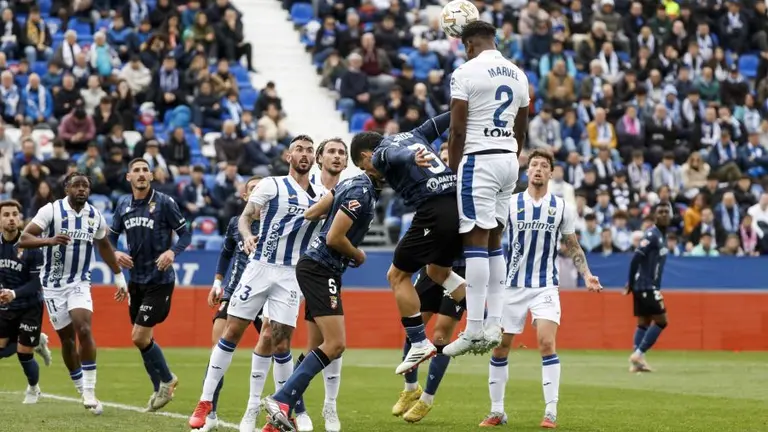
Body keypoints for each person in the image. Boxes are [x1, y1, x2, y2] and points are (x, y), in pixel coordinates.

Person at [188, 136, 326, 432]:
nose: (304, 154)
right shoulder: (271, 185)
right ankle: (205, 400)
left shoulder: (322, 193)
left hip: (291, 275)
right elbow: (245, 217)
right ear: (289, 155)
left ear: (314, 159)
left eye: (309, 151)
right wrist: (248, 234)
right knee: (232, 332)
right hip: (260, 267)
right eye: (299, 149)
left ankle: (280, 412)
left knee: (281, 342)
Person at [479, 149, 602, 429]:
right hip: (511, 287)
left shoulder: (562, 208)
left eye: (543, 166)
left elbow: (572, 244)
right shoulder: (510, 204)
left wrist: (586, 274)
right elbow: (493, 239)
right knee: (500, 348)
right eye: (533, 164)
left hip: (545, 284)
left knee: (546, 342)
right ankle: (497, 411)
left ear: (551, 173)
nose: (537, 169)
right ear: (527, 171)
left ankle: (550, 411)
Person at [261, 156, 381, 432]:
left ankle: (280, 413)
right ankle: (281, 400)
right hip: (321, 268)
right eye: (382, 156)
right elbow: (333, 238)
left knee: (318, 348)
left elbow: (312, 212)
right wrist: (357, 253)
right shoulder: (361, 190)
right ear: (366, 158)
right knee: (336, 344)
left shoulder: (350, 184)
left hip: (317, 266)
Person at [350, 112, 467, 392]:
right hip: (456, 207)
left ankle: (418, 341)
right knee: (437, 271)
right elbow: (442, 121)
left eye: (364, 167)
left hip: (433, 211)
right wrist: (463, 106)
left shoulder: (381, 152)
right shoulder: (415, 134)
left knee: (396, 275)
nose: (371, 173)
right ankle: (482, 322)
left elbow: (392, 157)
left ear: (366, 156)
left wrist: (410, 160)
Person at [445, 20, 531, 357]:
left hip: (478, 159)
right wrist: (511, 156)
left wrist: (454, 173)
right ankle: (494, 323)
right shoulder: (518, 74)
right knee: (495, 238)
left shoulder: (465, 72)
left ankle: (474, 327)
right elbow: (522, 128)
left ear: (468, 44)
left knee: (476, 239)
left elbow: (456, 129)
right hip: (509, 159)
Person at [19, 172, 127, 414]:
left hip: (79, 282)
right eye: (76, 185)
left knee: (84, 328)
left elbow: (104, 246)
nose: (81, 189)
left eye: (85, 186)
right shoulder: (51, 211)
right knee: (67, 340)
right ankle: (80, 386)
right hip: (52, 286)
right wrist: (48, 241)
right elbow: (24, 238)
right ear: (66, 188)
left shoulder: (95, 215)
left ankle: (90, 389)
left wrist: (119, 276)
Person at [109, 158, 193, 411]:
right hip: (136, 281)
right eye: (136, 170)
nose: (142, 174)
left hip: (160, 280)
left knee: (139, 334)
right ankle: (158, 389)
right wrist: (114, 253)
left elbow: (186, 234)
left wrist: (172, 252)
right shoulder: (123, 204)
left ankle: (167, 381)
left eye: (146, 170)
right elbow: (109, 238)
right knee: (141, 340)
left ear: (152, 176)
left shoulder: (165, 203)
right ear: (128, 177)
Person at [203, 175, 263, 432]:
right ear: (245, 196)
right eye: (253, 189)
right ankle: (210, 413)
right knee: (218, 350)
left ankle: (294, 410)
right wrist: (218, 282)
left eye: (262, 189)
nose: (258, 192)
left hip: (267, 295)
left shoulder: (277, 223)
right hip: (234, 292)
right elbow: (227, 252)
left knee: (280, 351)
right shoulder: (234, 224)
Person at [391, 262, 466, 423]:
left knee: (441, 333)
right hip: (434, 264)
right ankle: (410, 388)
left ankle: (427, 399)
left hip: (461, 268)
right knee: (415, 325)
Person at [0, 200, 52, 404]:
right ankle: (36, 340)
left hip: (30, 305)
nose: (11, 218)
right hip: (6, 306)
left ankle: (33, 388)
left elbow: (36, 283)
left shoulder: (31, 246)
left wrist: (14, 293)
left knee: (23, 353)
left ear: (20, 219)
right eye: (6, 215)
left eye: (15, 214)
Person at [625, 202, 672, 373]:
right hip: (646, 286)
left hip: (645, 286)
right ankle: (638, 354)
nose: (664, 214)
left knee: (644, 323)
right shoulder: (652, 234)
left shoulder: (661, 236)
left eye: (667, 211)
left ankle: (637, 363)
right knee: (662, 321)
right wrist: (630, 282)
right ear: (654, 216)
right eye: (660, 212)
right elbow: (636, 258)